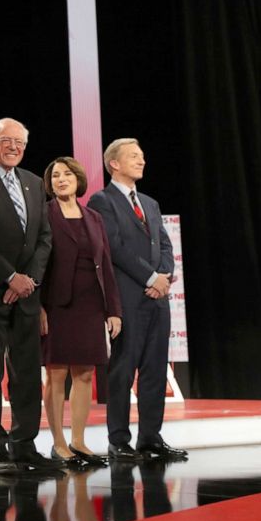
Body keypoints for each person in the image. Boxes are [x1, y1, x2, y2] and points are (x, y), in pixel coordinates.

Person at [0, 118, 63, 474]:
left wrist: (29, 280)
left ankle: (24, 445)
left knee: (25, 373)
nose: (13, 147)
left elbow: (45, 238)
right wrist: (9, 276)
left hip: (26, 295)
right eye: (6, 140)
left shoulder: (35, 183)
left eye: (20, 142)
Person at [87, 139, 187, 461]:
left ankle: (150, 438)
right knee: (123, 368)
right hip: (128, 296)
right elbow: (114, 247)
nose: (141, 160)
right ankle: (118, 440)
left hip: (158, 299)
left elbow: (166, 247)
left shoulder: (150, 203)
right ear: (113, 163)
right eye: (133, 156)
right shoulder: (102, 200)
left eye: (142, 156)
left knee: (155, 369)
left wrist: (164, 275)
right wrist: (149, 278)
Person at [39, 157, 122, 466]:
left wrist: (113, 309)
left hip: (90, 304)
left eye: (67, 174)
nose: (61, 179)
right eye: (55, 175)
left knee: (85, 374)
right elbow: (36, 263)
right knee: (57, 374)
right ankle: (58, 443)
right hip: (56, 304)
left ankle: (78, 441)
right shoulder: (43, 215)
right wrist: (38, 308)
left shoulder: (94, 217)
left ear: (78, 179)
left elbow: (107, 266)